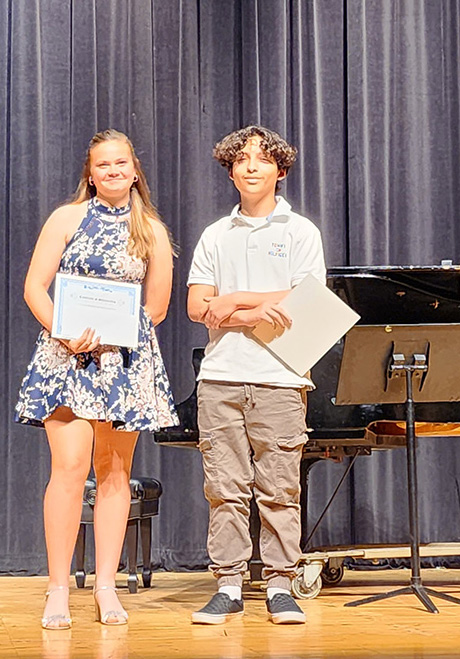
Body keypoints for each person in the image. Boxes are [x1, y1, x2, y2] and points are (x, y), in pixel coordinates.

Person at [15, 129, 178, 629]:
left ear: (134, 170)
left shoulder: (150, 228)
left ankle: (106, 585)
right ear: (91, 173)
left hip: (123, 364)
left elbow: (157, 306)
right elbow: (34, 287)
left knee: (114, 473)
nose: (112, 171)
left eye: (121, 163)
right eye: (102, 165)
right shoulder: (66, 218)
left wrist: (119, 334)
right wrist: (64, 333)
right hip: (67, 359)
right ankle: (58, 588)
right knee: (68, 468)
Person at [187, 125, 326, 625]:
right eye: (241, 159)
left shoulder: (300, 232)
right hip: (221, 377)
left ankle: (281, 585)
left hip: (282, 377)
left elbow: (303, 302)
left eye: (262, 159)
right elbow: (194, 306)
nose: (250, 167)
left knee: (279, 487)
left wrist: (230, 303)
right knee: (224, 487)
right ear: (230, 170)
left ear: (280, 170)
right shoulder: (215, 235)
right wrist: (251, 309)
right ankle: (227, 583)